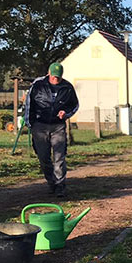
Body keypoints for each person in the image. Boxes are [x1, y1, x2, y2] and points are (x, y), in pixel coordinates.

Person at [24, 62, 79, 197]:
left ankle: (60, 185)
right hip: (40, 126)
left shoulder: (67, 87)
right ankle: (51, 182)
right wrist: (30, 123)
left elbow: (75, 105)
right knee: (43, 157)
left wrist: (66, 114)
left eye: (58, 77)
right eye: (54, 77)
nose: (56, 79)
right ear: (49, 73)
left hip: (58, 126)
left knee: (59, 156)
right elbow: (29, 104)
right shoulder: (38, 85)